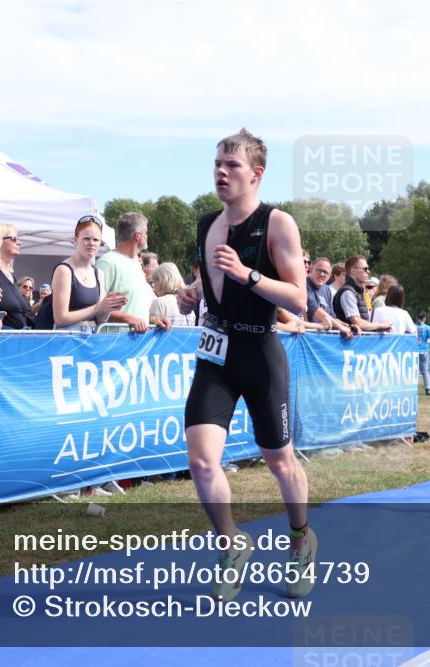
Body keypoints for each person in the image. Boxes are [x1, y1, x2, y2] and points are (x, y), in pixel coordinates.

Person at [177, 128, 316, 601]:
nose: (221, 172)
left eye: (232, 165)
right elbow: (213, 281)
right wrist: (195, 293)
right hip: (215, 354)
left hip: (260, 353)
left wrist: (247, 274)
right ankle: (231, 544)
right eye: (217, 163)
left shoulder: (277, 223)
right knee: (201, 461)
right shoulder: (206, 224)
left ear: (256, 173)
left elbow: (298, 299)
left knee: (280, 461)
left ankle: (301, 540)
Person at [96, 212, 170, 332]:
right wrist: (128, 319)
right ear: (137, 236)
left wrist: (152, 320)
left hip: (137, 341)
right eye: (146, 232)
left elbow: (134, 307)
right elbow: (95, 308)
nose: (147, 236)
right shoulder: (107, 263)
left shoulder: (136, 263)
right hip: (114, 341)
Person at [50, 216, 127, 332]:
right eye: (86, 238)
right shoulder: (64, 270)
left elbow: (101, 320)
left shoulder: (98, 273)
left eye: (96, 240)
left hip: (91, 335)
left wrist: (109, 306)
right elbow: (60, 318)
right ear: (75, 240)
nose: (91, 243)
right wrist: (98, 307)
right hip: (68, 338)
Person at [0, 224, 32, 329]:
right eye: (13, 239)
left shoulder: (10, 276)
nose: (19, 242)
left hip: (16, 335)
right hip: (0, 335)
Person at [333, 256, 392, 333]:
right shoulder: (347, 293)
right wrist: (380, 325)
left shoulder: (357, 292)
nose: (368, 272)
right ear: (353, 270)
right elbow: (358, 323)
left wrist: (377, 327)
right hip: (348, 340)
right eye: (365, 269)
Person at [305, 257, 353, 336]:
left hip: (324, 336)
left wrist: (349, 326)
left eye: (325, 272)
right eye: (319, 270)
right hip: (308, 336)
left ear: (329, 276)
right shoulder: (305, 284)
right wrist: (340, 327)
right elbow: (313, 308)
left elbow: (332, 317)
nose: (322, 274)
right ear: (311, 269)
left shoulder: (327, 289)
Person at [149, 262, 196, 327]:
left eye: (154, 282)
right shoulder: (187, 303)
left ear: (161, 281)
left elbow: (150, 330)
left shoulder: (159, 302)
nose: (153, 287)